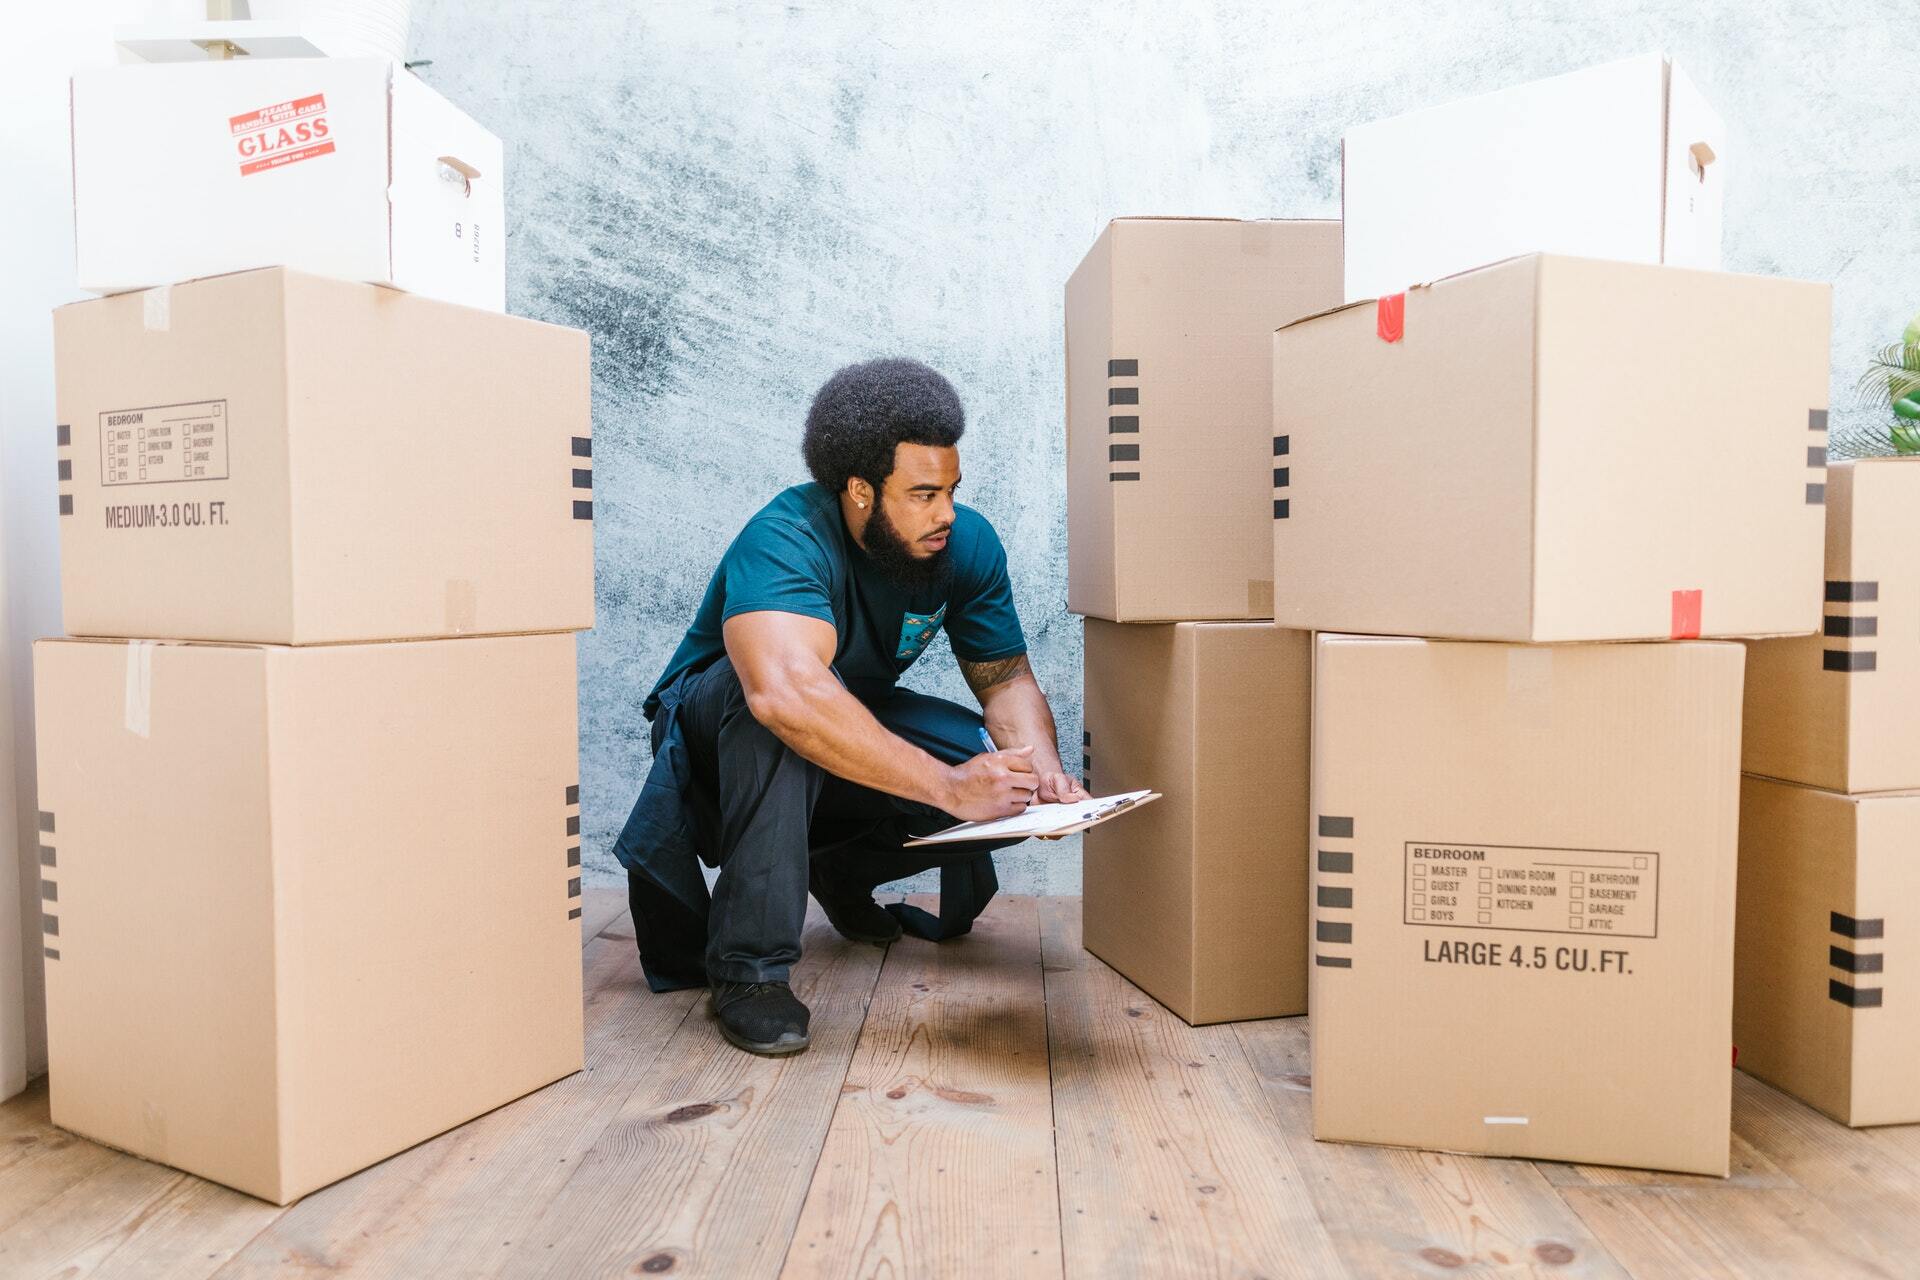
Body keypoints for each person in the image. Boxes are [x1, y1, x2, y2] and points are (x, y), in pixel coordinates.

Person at [613, 358, 1088, 1055]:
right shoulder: (788, 535)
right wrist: (950, 788)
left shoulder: (966, 545)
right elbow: (785, 693)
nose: (947, 513)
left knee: (1000, 771)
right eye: (924, 494)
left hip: (838, 717)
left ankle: (842, 869)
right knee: (779, 716)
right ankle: (750, 972)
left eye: (952, 489)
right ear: (861, 491)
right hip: (722, 738)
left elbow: (1006, 680)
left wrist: (1042, 776)